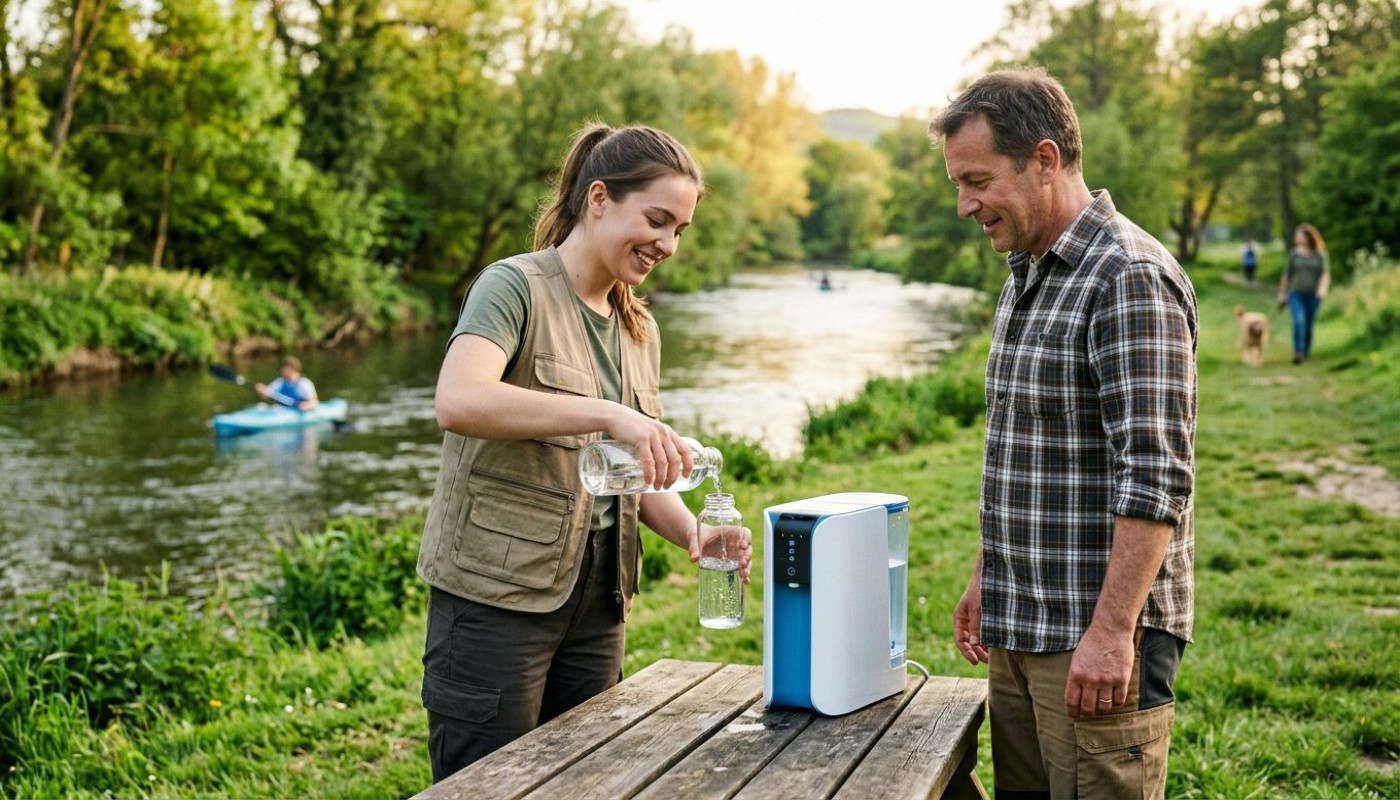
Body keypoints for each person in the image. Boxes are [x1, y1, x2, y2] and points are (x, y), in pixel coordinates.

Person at [415, 123, 753, 782]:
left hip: (599, 600)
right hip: (496, 600)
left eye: (680, 229)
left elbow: (635, 470)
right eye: (657, 220)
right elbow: (458, 400)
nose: (668, 244)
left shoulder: (639, 326)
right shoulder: (512, 287)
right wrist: (609, 413)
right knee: (488, 786)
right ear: (598, 198)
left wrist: (692, 533)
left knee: (585, 780)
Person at [931, 68, 1198, 800]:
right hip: (1021, 624)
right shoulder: (1025, 270)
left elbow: (1156, 477)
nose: (964, 205)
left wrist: (1113, 633)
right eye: (959, 183)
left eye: (978, 179)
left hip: (1093, 637)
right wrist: (990, 575)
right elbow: (1024, 448)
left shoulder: (1128, 277)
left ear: (1044, 160)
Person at [1278, 223, 1330, 364]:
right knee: (1299, 321)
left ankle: (1306, 351)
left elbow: (1325, 274)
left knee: (1308, 323)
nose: (1298, 238)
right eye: (1297, 235)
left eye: (1301, 235)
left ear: (1309, 237)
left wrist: (1322, 289)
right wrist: (1282, 293)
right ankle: (1298, 352)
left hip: (1313, 295)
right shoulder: (1293, 254)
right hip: (1295, 293)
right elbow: (1287, 275)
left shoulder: (1320, 254)